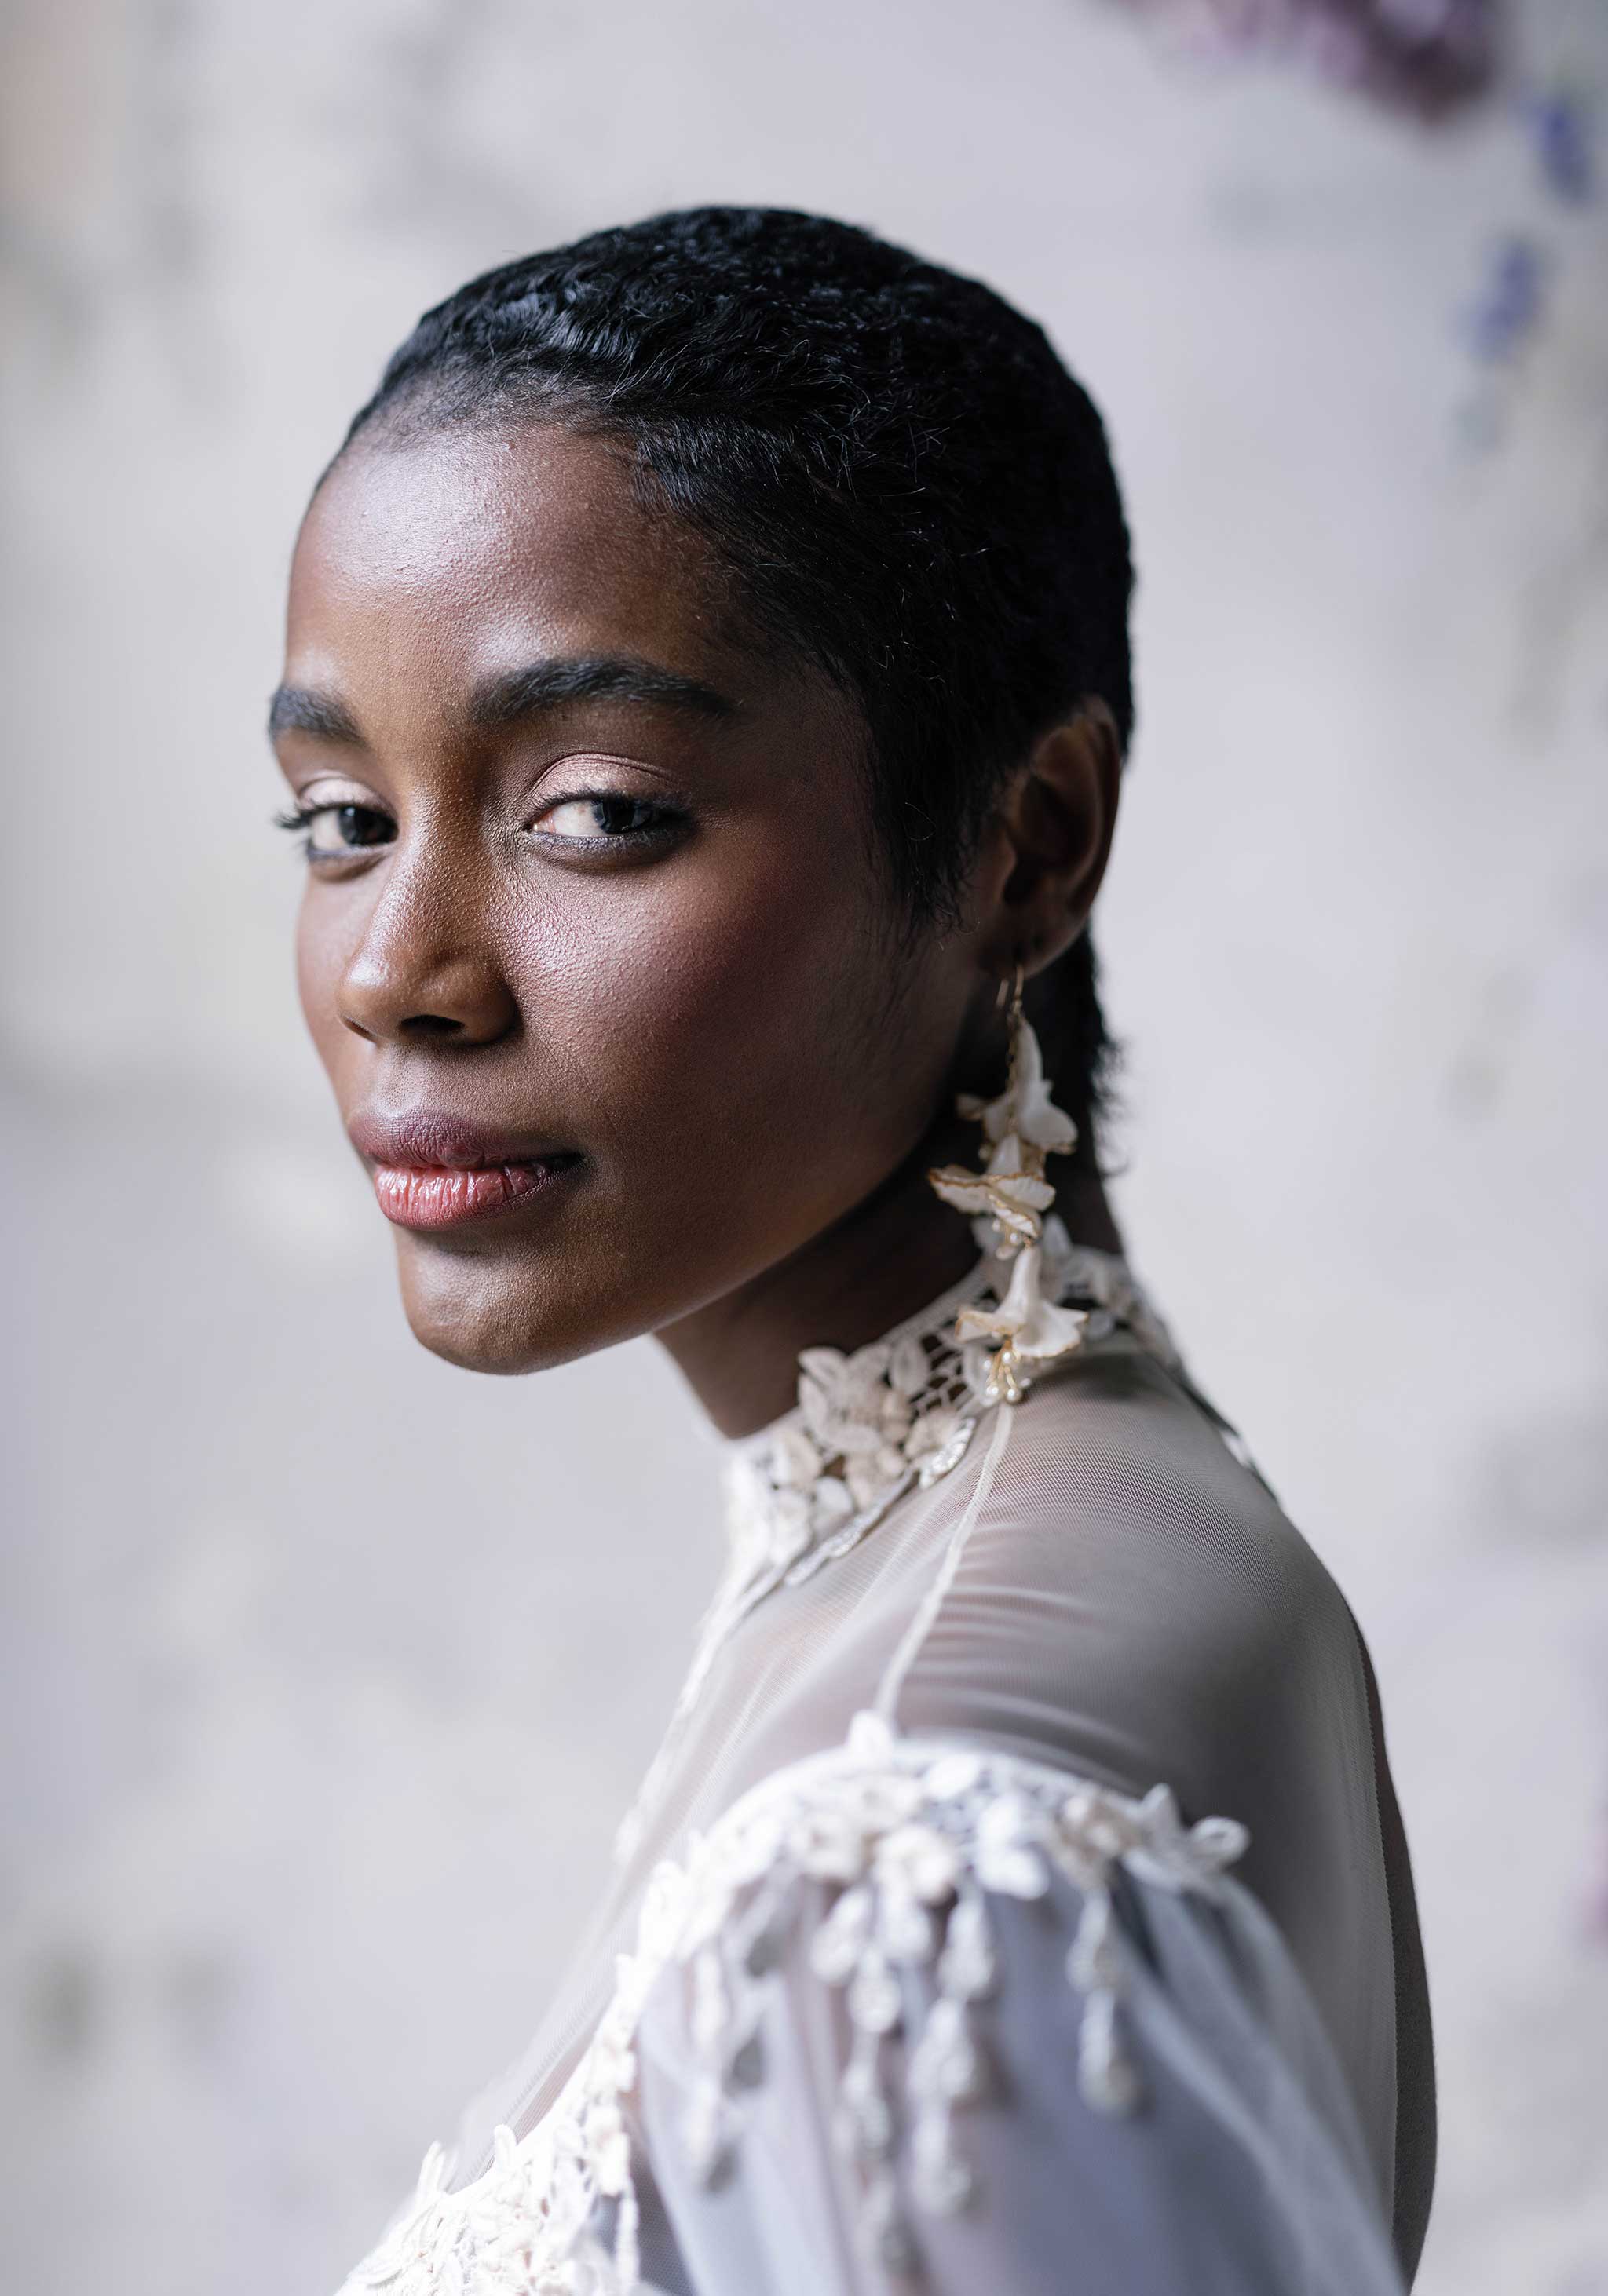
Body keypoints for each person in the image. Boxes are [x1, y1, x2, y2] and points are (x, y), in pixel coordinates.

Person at [270, 206, 1432, 2294]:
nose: (396, 974)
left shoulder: (916, 1869)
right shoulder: (1054, 1539)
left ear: (1024, 844)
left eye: (596, 809)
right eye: (339, 818)